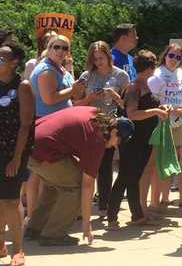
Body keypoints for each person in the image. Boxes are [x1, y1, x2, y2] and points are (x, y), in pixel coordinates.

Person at [27, 107, 134, 246]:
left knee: (54, 183)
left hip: (29, 142)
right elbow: (87, 185)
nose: (115, 146)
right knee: (76, 185)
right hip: (42, 150)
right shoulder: (97, 139)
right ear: (114, 131)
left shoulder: (95, 113)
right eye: (118, 142)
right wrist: (86, 223)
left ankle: (34, 228)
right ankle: (53, 234)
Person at [107, 50, 170, 229]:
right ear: (150, 68)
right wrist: (157, 111)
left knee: (134, 177)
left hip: (145, 139)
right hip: (133, 139)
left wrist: (162, 107)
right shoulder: (134, 88)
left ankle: (137, 215)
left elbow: (148, 106)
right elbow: (132, 114)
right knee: (124, 177)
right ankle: (112, 217)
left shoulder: (146, 85)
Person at [75, 41, 129, 211]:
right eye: (95, 59)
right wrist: (89, 98)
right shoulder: (86, 76)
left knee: (106, 164)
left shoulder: (121, 76)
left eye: (101, 58)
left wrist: (116, 97)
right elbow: (76, 104)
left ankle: (104, 202)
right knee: (88, 164)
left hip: (110, 122)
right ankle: (84, 202)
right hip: (90, 122)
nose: (98, 62)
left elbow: (128, 105)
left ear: (109, 56)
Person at [0, 40, 34, 266]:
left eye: (2, 57)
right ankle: (1, 243)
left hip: (13, 152)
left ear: (14, 62)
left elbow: (25, 125)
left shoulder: (22, 86)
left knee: (11, 201)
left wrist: (17, 157)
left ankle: (18, 250)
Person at [147, 42, 182, 209]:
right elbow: (151, 101)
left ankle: (165, 199)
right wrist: (170, 110)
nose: (174, 59)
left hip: (179, 124)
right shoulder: (157, 74)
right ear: (165, 55)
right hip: (161, 124)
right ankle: (154, 202)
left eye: (178, 57)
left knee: (171, 163)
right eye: (171, 55)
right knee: (159, 163)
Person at [31, 33, 85, 118]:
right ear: (49, 49)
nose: (60, 50)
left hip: (61, 119)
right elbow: (49, 99)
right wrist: (73, 89)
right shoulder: (47, 70)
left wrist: (78, 87)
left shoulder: (61, 68)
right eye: (56, 47)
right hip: (47, 120)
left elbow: (74, 95)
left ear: (68, 52)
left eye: (65, 48)